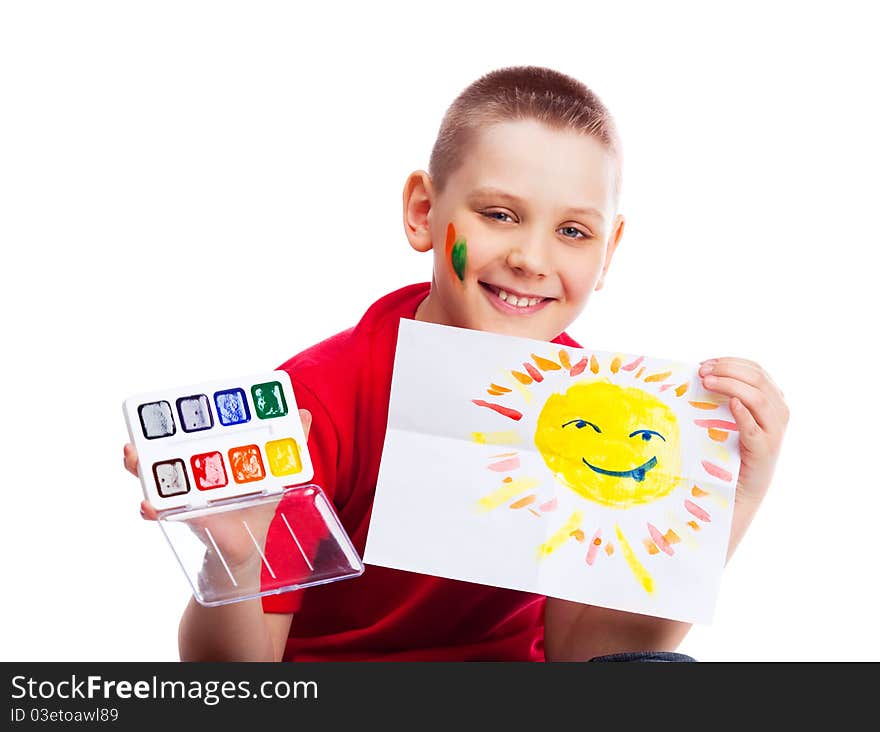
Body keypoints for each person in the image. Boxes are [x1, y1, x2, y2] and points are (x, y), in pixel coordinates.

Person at [123, 66, 789, 661]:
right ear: (423, 211)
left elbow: (593, 657)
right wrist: (237, 560)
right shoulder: (319, 400)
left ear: (609, 251)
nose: (532, 258)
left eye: (573, 232)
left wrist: (726, 505)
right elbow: (234, 681)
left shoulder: (593, 403)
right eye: (500, 214)